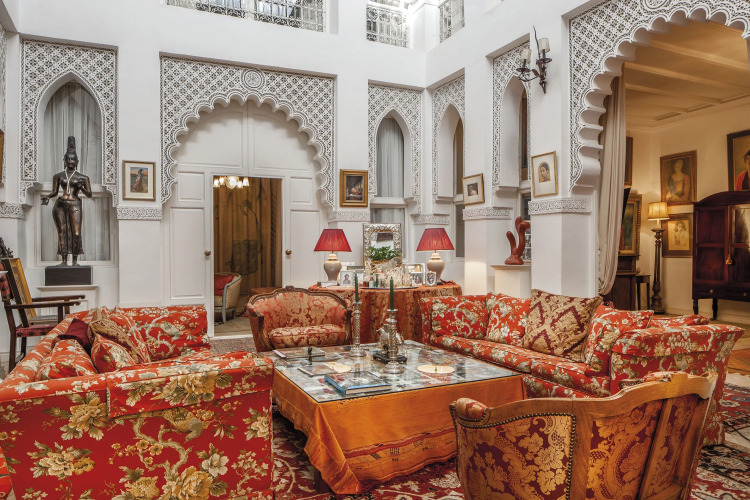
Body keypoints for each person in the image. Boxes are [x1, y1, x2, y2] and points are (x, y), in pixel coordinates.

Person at [41, 136, 92, 266]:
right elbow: (54, 192)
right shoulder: (58, 176)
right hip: (60, 205)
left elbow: (89, 194)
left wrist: (81, 188)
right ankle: (64, 261)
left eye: (73, 159)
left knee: (76, 233)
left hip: (75, 204)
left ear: (77, 161)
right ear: (64, 161)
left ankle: (75, 261)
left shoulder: (83, 177)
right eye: (67, 159)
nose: (70, 161)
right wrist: (47, 197)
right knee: (62, 232)